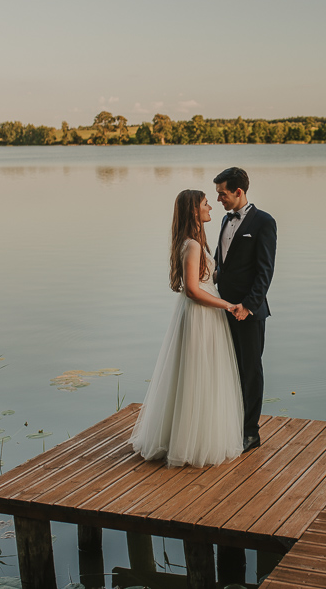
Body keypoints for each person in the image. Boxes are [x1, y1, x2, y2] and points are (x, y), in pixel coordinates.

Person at [129, 190, 244, 468]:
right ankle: (192, 442)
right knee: (198, 374)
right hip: (200, 315)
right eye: (206, 204)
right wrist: (227, 305)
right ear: (194, 211)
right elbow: (193, 290)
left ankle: (192, 435)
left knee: (197, 374)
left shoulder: (193, 242)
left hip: (202, 314)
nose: (210, 209)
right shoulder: (192, 245)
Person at [213, 167, 277, 453]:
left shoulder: (264, 222)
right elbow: (221, 265)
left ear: (238, 191)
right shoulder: (225, 220)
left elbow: (265, 271)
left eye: (222, 194)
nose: (219, 200)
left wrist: (248, 307)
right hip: (222, 309)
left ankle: (250, 433)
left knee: (250, 372)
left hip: (249, 313)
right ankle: (229, 425)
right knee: (228, 370)